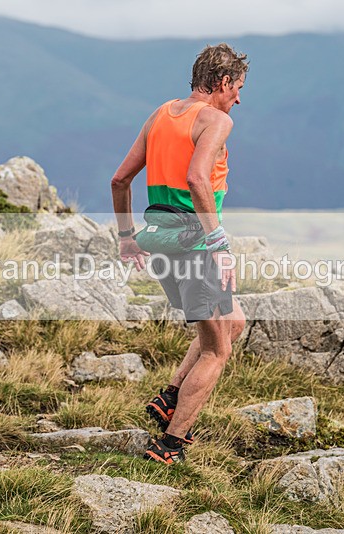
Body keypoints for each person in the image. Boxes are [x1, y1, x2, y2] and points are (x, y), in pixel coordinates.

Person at [110, 43, 249, 464]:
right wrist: (219, 245)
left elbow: (119, 180)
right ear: (223, 82)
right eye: (238, 89)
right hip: (196, 248)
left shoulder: (161, 114)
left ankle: (170, 397)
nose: (238, 99)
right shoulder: (216, 120)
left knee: (234, 322)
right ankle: (169, 446)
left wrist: (127, 237)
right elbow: (197, 179)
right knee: (216, 351)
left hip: (162, 245)